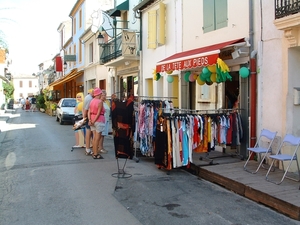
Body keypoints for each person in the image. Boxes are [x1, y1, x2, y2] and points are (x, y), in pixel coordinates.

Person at [88, 87, 105, 159]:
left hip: (92, 119)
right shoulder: (100, 102)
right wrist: (94, 121)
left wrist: (90, 120)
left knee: (94, 138)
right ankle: (96, 153)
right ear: (99, 94)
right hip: (99, 120)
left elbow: (89, 111)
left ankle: (94, 152)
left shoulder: (91, 101)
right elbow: (98, 113)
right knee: (97, 138)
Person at [83, 88, 94, 155]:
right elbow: (86, 109)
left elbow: (84, 108)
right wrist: (85, 118)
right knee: (89, 133)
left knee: (89, 133)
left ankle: (88, 148)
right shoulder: (89, 99)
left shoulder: (87, 97)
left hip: (88, 117)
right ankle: (89, 149)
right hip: (90, 118)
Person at [98, 90, 110, 154]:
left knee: (103, 135)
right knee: (101, 135)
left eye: (104, 95)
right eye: (102, 95)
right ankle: (100, 148)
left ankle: (101, 147)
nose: (103, 96)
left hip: (106, 120)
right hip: (102, 120)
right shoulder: (100, 102)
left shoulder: (105, 102)